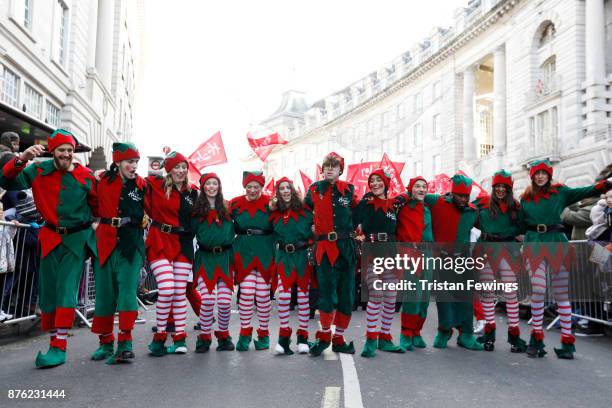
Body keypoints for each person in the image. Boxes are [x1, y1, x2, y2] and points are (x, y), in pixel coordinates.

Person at [0, 129, 98, 368]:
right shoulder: (38, 170)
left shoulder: (86, 176)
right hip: (50, 237)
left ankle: (59, 347)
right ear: (53, 151)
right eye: (62, 150)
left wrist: (95, 224)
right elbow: (6, 180)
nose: (66, 154)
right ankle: (55, 341)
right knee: (48, 292)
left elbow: (98, 205)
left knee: (66, 290)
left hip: (76, 240)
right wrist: (22, 158)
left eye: (70, 150)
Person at [520, 159, 612, 359]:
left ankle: (567, 343)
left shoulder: (560, 192)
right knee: (538, 290)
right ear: (532, 176)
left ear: (549, 175)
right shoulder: (525, 199)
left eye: (544, 173)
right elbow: (518, 223)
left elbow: (585, 191)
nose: (541, 176)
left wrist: (604, 185)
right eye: (537, 174)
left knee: (562, 294)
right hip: (534, 243)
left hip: (556, 244)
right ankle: (536, 338)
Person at [90, 143, 146, 364]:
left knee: (126, 293)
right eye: (129, 162)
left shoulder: (142, 185)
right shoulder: (101, 181)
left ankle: (125, 343)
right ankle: (105, 343)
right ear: (118, 162)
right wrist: (91, 224)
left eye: (135, 162)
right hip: (104, 242)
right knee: (104, 294)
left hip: (131, 245)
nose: (133, 166)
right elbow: (89, 203)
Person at [306, 152, 359, 356]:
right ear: (323, 169)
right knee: (327, 294)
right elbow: (302, 211)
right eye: (326, 166)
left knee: (347, 294)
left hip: (346, 248)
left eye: (334, 166)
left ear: (340, 170)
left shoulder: (349, 190)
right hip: (324, 249)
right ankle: (324, 336)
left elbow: (359, 211)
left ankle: (339, 338)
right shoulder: (313, 189)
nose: (329, 169)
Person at [145, 152, 198, 356]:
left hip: (183, 244)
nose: (181, 171)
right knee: (166, 289)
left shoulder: (193, 193)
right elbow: (132, 179)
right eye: (177, 167)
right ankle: (159, 337)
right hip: (159, 240)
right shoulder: (155, 185)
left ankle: (179, 339)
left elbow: (208, 210)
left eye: (184, 167)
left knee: (178, 293)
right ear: (169, 169)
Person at [424, 174, 484, 351]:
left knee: (465, 299)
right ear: (453, 193)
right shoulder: (435, 201)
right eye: (460, 196)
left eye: (466, 196)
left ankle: (466, 335)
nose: (464, 199)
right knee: (444, 300)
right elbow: (414, 194)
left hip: (463, 260)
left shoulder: (473, 211)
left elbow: (485, 229)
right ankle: (444, 331)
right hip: (442, 259)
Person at [473, 170, 527, 352]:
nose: (501, 190)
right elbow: (465, 212)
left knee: (510, 293)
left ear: (509, 188)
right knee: (487, 293)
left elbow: (523, 227)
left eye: (505, 186)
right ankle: (489, 335)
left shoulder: (516, 207)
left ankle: (514, 337)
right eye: (498, 186)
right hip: (487, 250)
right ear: (494, 187)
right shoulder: (481, 203)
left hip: (508, 250)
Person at [355, 169, 405, 357]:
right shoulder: (365, 204)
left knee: (391, 296)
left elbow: (415, 197)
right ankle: (370, 339)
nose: (375, 183)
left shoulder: (396, 204)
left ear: (386, 183)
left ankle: (384, 338)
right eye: (372, 181)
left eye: (378, 180)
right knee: (376, 293)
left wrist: (403, 198)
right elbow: (350, 220)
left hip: (391, 251)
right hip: (372, 251)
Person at [230, 171, 275, 351]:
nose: (253, 190)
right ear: (244, 186)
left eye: (256, 186)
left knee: (263, 295)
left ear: (261, 187)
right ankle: (245, 333)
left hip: (265, 249)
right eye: (249, 186)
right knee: (247, 292)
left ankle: (263, 335)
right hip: (244, 250)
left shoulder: (271, 203)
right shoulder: (234, 204)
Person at [269, 177, 313, 355]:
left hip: (302, 255)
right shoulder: (273, 212)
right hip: (283, 257)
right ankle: (283, 340)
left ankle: (303, 339)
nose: (285, 191)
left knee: (303, 297)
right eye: (281, 188)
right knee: (285, 296)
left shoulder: (305, 210)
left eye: (288, 188)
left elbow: (316, 228)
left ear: (293, 190)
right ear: (277, 193)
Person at [191, 172, 235, 352]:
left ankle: (224, 336)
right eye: (208, 184)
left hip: (225, 259)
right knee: (208, 300)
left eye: (215, 183)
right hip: (205, 258)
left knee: (225, 302)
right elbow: (187, 234)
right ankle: (205, 337)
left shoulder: (228, 208)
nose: (211, 187)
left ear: (219, 186)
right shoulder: (196, 211)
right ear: (203, 187)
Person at [394, 176, 433, 350]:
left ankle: (417, 332)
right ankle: (406, 333)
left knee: (424, 297)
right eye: (417, 186)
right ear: (411, 189)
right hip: (410, 253)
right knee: (412, 296)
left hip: (428, 254)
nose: (421, 189)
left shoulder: (427, 209)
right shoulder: (403, 206)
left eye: (424, 186)